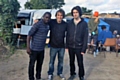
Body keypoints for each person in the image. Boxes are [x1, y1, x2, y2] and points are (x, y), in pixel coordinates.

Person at [26, 12, 51, 80]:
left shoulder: (48, 25)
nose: (47, 19)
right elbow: (29, 35)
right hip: (34, 49)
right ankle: (31, 78)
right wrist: (28, 47)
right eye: (46, 17)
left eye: (49, 18)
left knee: (39, 65)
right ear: (43, 17)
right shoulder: (37, 25)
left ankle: (38, 77)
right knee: (32, 64)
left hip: (41, 49)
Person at [66, 6, 88, 80]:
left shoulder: (84, 24)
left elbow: (85, 36)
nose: (75, 14)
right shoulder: (70, 23)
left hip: (79, 46)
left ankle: (81, 76)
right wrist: (66, 45)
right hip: (71, 46)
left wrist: (84, 48)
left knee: (80, 62)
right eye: (73, 13)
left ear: (79, 13)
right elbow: (67, 35)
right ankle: (72, 73)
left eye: (76, 12)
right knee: (71, 61)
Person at [47, 9, 67, 80]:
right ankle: (50, 73)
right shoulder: (52, 22)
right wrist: (37, 20)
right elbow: (44, 20)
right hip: (53, 46)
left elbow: (69, 34)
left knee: (61, 61)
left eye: (61, 15)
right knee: (51, 61)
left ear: (63, 16)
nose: (59, 17)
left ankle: (60, 73)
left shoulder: (65, 24)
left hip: (62, 46)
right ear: (56, 16)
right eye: (58, 15)